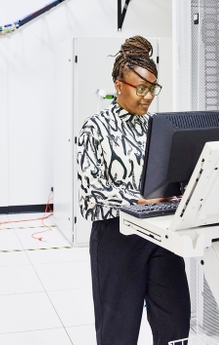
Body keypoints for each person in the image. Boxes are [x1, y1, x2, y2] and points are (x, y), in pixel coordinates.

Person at [76, 35, 191, 345]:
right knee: (119, 333)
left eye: (152, 88)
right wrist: (137, 199)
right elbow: (89, 196)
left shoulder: (159, 125)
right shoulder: (95, 128)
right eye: (140, 88)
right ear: (118, 85)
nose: (148, 96)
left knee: (176, 326)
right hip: (117, 239)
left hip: (160, 233)